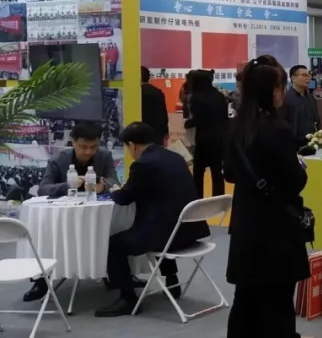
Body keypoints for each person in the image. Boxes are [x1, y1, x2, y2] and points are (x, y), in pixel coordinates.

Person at [224, 55, 310, 337]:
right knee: (278, 302)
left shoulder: (236, 126)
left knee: (245, 300)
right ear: (272, 91)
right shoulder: (276, 129)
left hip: (246, 224)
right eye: (281, 87)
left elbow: (230, 173)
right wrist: (299, 167)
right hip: (276, 228)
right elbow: (296, 181)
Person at [95, 122, 210, 317]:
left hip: (168, 238)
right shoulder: (175, 157)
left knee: (114, 245)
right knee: (162, 225)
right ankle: (172, 282)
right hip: (190, 232)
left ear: (132, 145)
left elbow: (125, 198)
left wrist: (114, 191)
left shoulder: (142, 164)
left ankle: (127, 299)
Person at [23, 122, 120, 302]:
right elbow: (43, 189)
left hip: (95, 215)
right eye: (83, 147)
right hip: (63, 217)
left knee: (115, 231)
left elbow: (113, 180)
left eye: (93, 147)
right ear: (73, 141)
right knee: (45, 233)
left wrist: (103, 187)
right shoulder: (58, 160)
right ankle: (42, 280)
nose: (89, 152)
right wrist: (67, 185)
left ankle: (115, 274)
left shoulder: (104, 155)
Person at [185, 70, 229, 198]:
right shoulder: (219, 96)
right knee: (217, 173)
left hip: (202, 140)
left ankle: (198, 199)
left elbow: (197, 120)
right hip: (219, 140)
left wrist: (188, 123)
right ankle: (219, 199)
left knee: (198, 172)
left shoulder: (196, 98)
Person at [280, 65, 320, 151]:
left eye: (309, 75)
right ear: (293, 78)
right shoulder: (285, 98)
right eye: (304, 75)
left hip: (312, 144)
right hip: (292, 146)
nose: (308, 78)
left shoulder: (311, 98)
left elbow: (316, 120)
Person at [140, 66, 169, 145]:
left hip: (140, 132)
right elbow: (163, 114)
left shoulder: (136, 93)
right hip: (156, 132)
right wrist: (165, 131)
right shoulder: (158, 92)